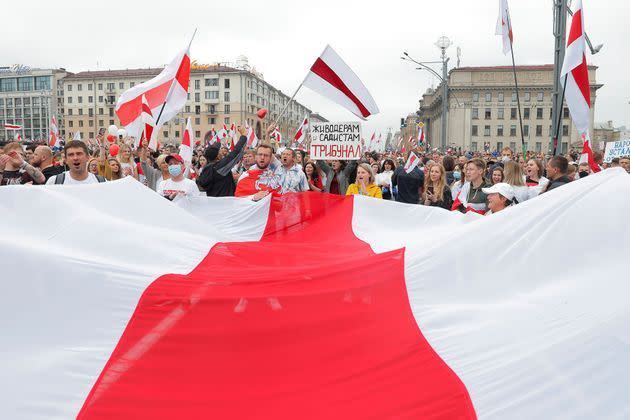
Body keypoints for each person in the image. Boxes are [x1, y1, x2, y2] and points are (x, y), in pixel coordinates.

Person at [197, 126, 248, 197]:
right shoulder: (219, 167)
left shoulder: (205, 169)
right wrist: (244, 135)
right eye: (220, 151)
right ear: (217, 155)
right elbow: (235, 153)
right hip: (225, 204)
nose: (222, 152)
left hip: (213, 203)